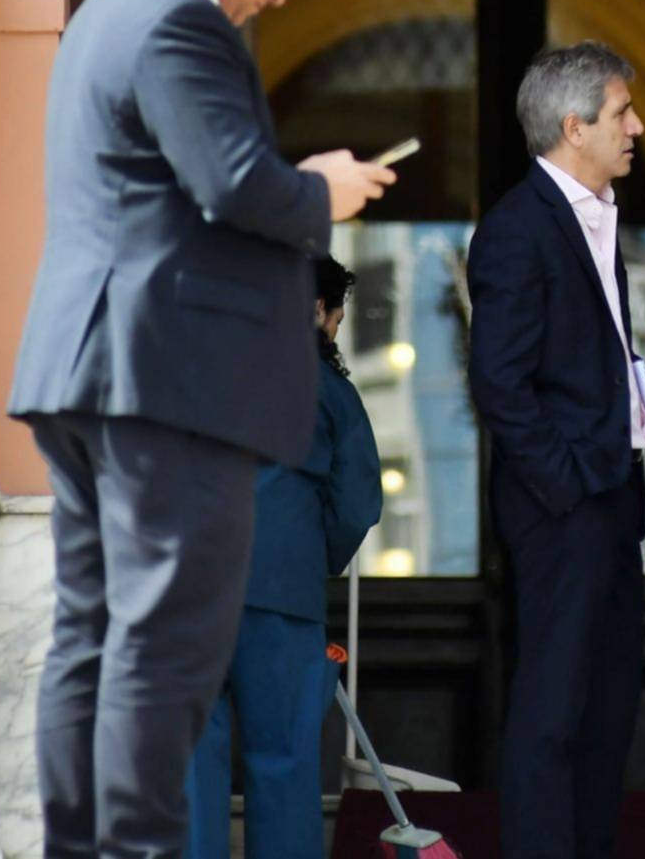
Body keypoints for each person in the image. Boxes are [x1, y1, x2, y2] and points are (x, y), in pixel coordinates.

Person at [7, 0, 395, 854]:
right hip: (149, 378)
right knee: (157, 652)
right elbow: (230, 185)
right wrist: (321, 190)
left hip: (87, 368)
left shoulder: (113, 5)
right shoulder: (176, 16)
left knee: (95, 642)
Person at [467, 41, 645, 859]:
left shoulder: (594, 212)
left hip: (609, 497)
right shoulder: (517, 229)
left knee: (607, 708)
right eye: (623, 112)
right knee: (553, 713)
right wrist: (569, 481)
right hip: (563, 507)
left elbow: (584, 351)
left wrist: (642, 387)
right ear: (574, 125)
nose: (638, 127)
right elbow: (501, 385)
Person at [185, 256, 382, 859]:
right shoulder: (331, 391)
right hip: (283, 594)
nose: (335, 333)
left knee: (190, 766)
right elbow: (357, 504)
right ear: (317, 309)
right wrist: (315, 557)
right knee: (283, 763)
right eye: (336, 320)